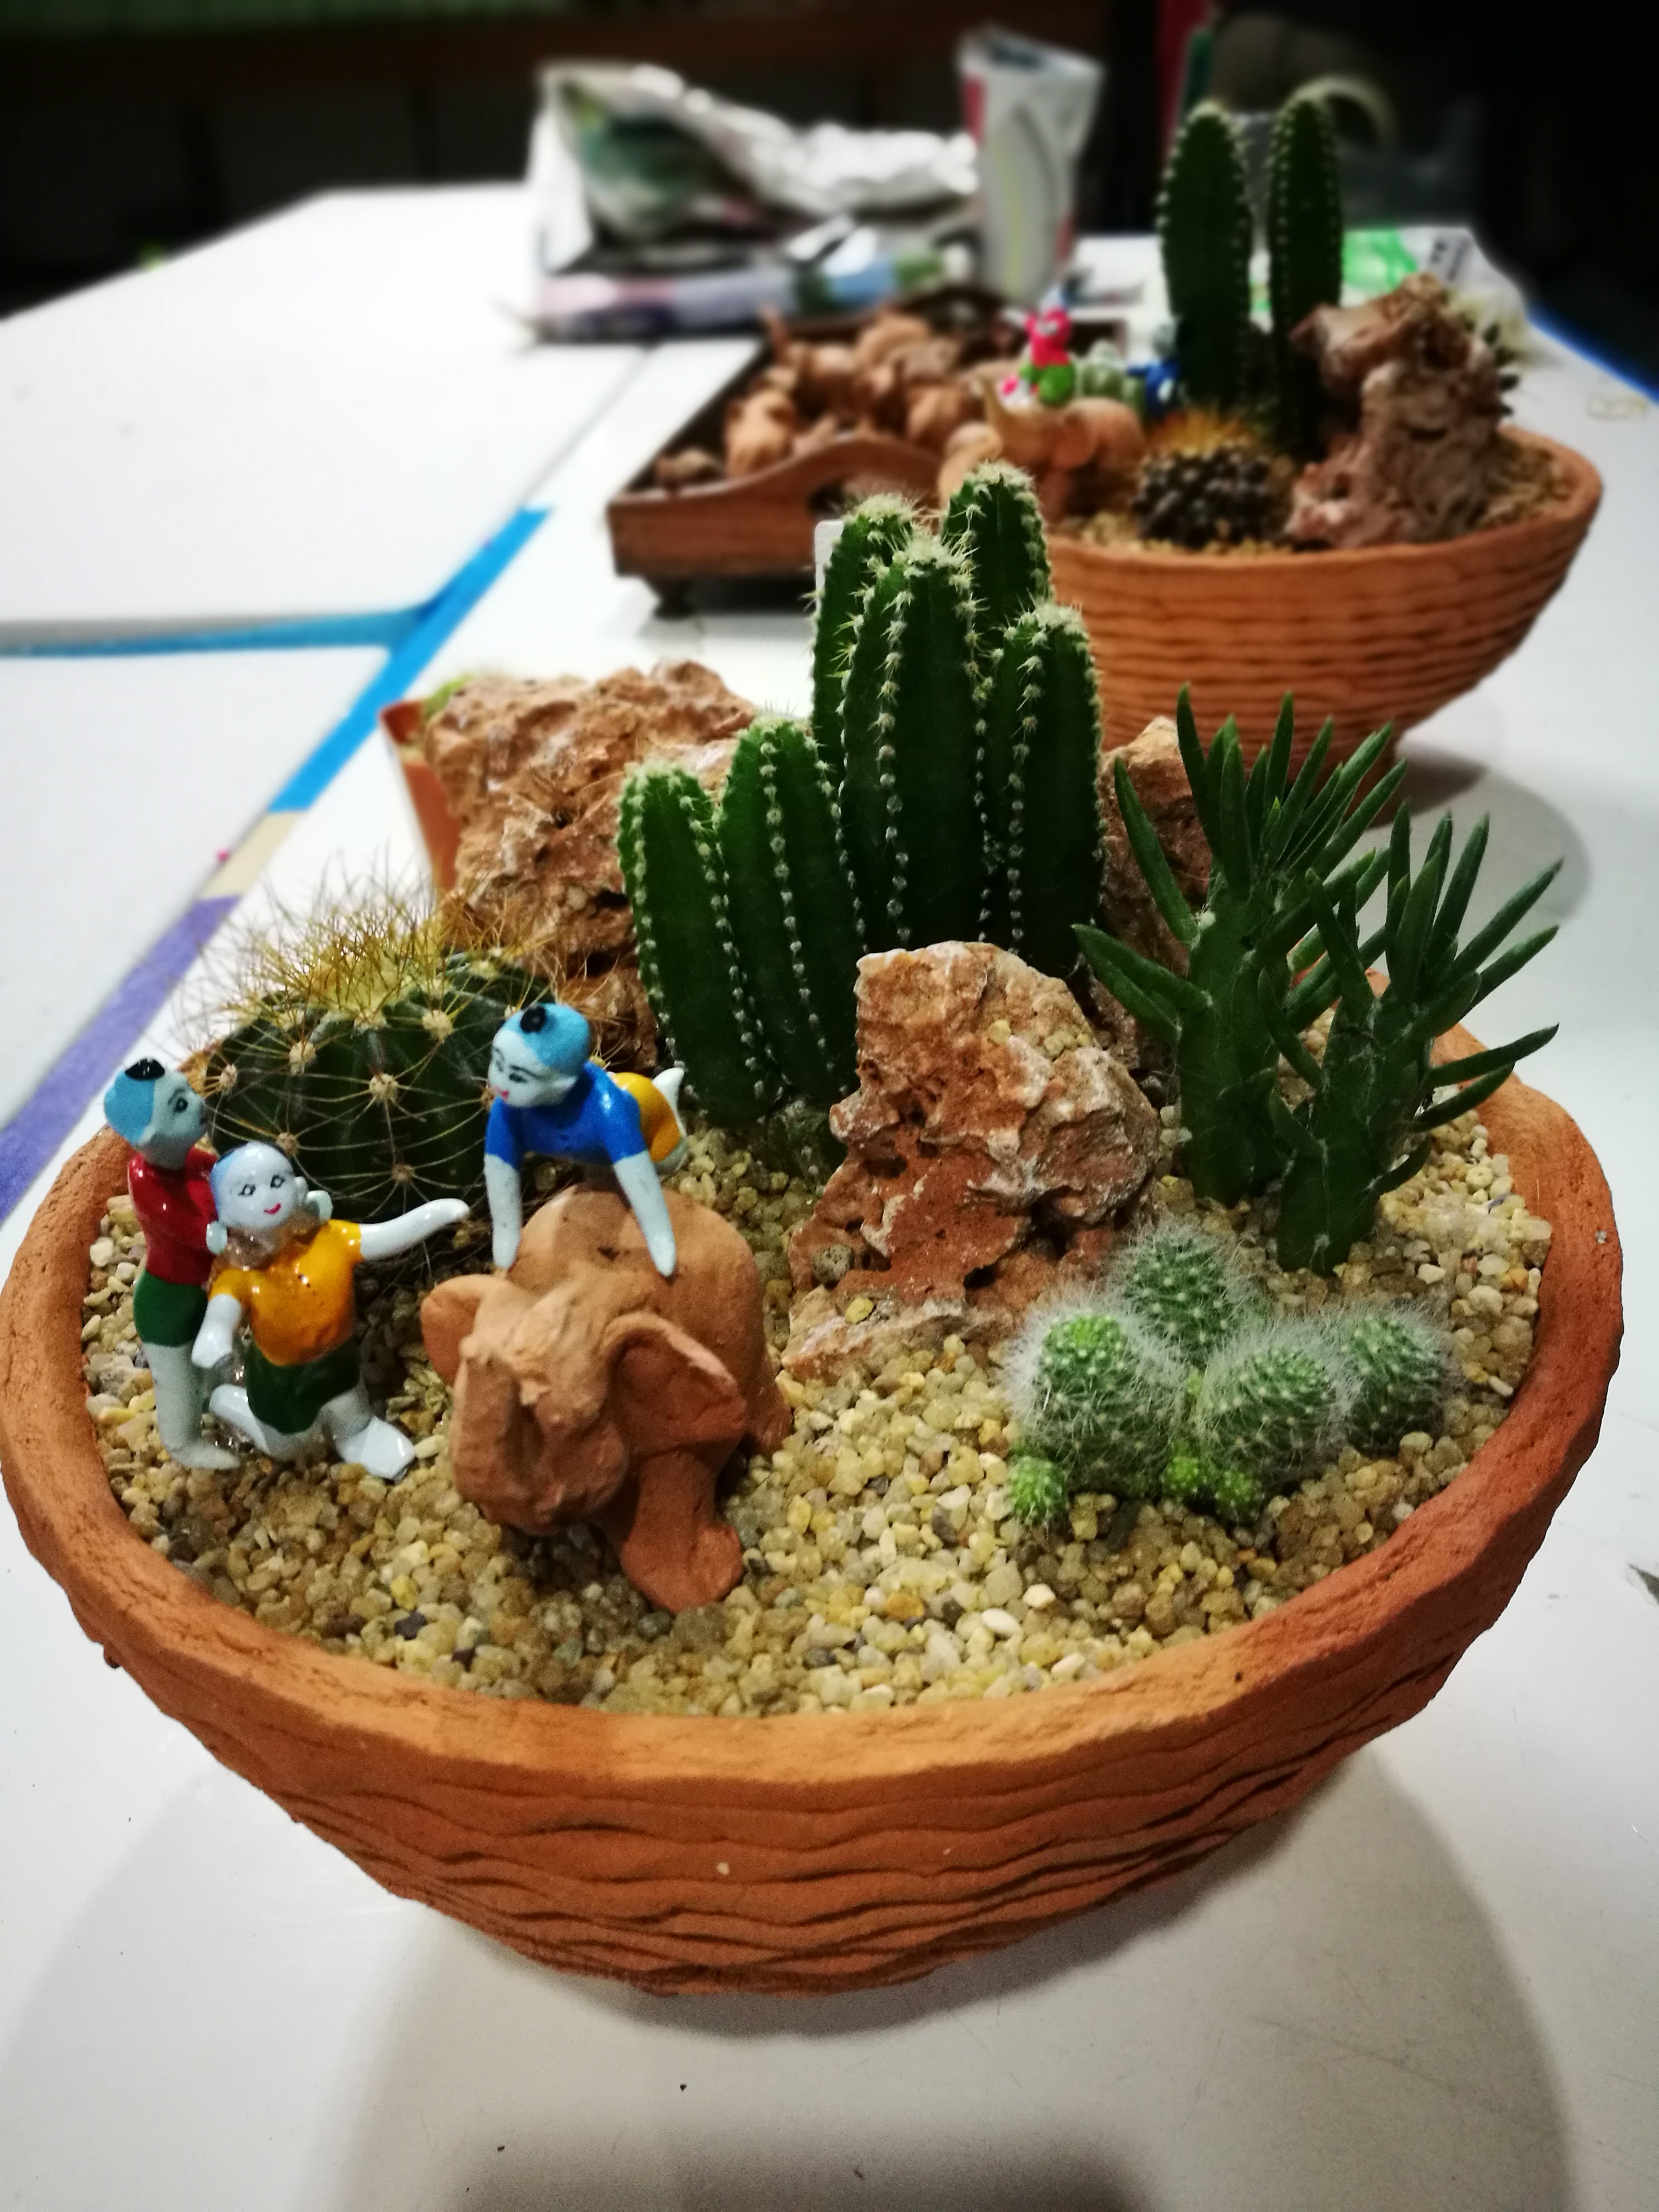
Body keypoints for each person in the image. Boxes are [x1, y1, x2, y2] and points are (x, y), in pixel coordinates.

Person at [192, 1141, 466, 1479]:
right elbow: (222, 1311)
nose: (268, 1196)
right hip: (283, 1379)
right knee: (287, 1445)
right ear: (226, 1214)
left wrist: (434, 1215)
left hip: (338, 1359)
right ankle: (228, 1401)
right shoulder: (241, 1273)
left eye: (277, 1181)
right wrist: (215, 1335)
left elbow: (386, 1235)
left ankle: (358, 1434)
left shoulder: (330, 1238)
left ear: (296, 1186)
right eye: (248, 1191)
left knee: (352, 1412)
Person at [102, 1059, 241, 1469]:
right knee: (177, 1379)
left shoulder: (193, 1161)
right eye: (180, 1105)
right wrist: (215, 1234)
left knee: (218, 1355)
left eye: (189, 1093)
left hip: (200, 1292)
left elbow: (222, 1176)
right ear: (146, 1137)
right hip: (165, 1304)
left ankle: (222, 1403)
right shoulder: (146, 1180)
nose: (198, 1105)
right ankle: (183, 1442)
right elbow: (177, 1222)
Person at [482, 1003, 686, 1277]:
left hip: (652, 1121)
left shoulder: (607, 1108)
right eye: (498, 1064)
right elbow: (499, 1169)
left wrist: (659, 1236)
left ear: (563, 1082)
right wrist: (506, 1232)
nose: (501, 1084)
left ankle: (666, 1096)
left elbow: (638, 1175)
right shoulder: (507, 1110)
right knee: (602, 1172)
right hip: (595, 1155)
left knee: (666, 1163)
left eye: (519, 1076)